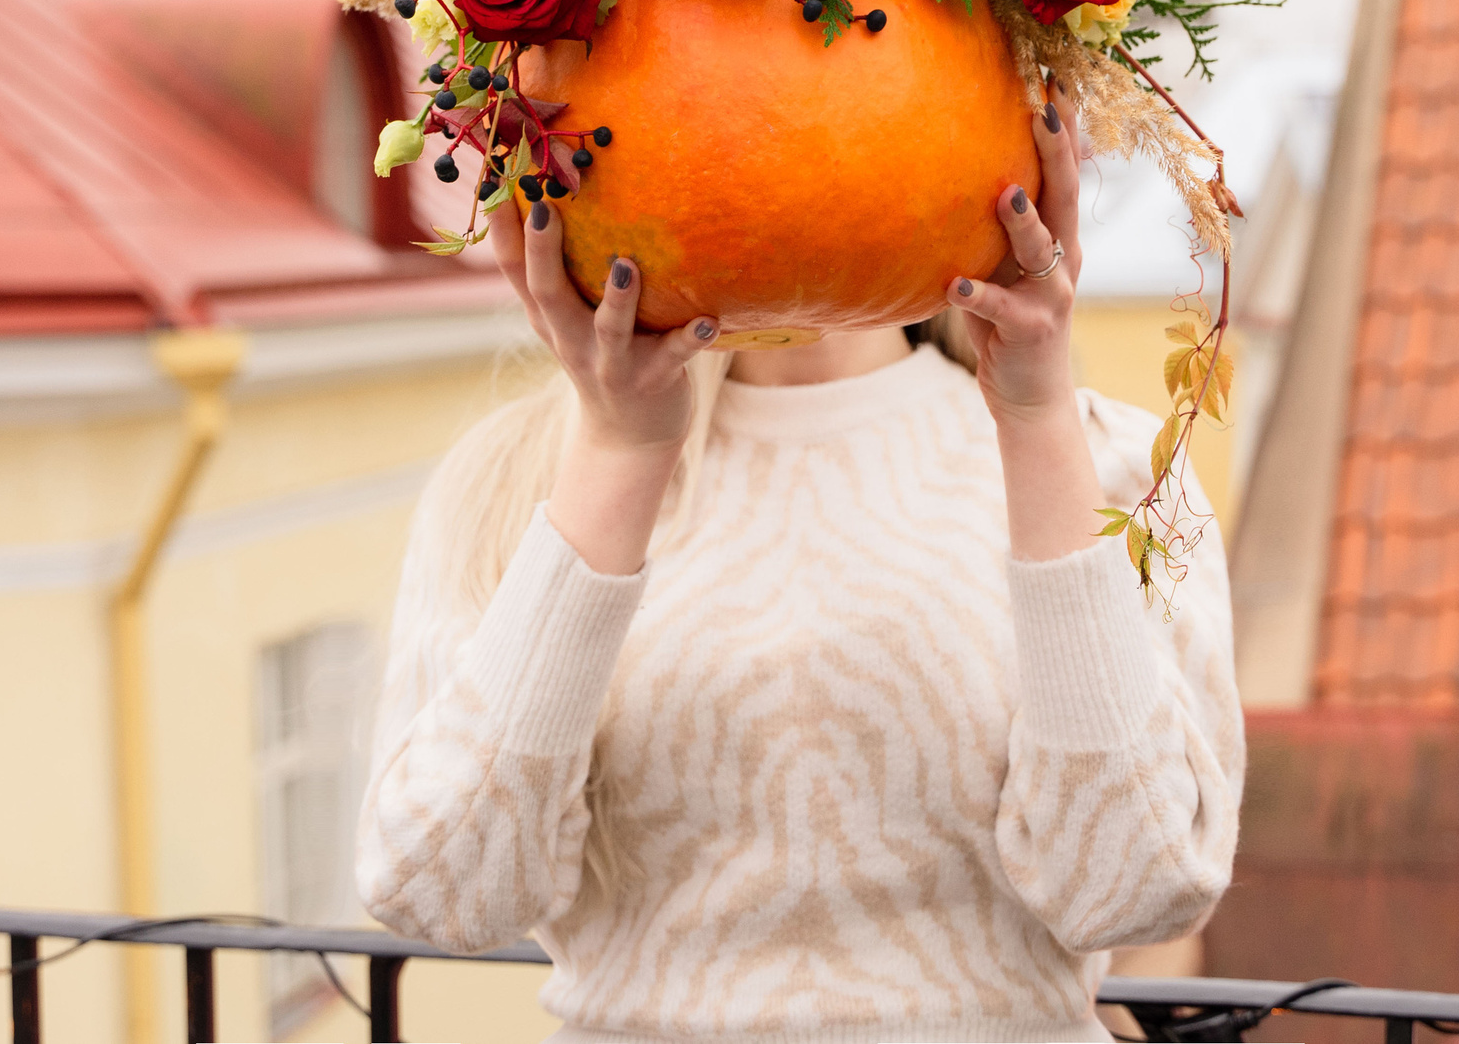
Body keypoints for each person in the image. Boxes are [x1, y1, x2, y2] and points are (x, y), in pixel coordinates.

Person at [356, 89, 1242, 1042]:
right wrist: (618, 455)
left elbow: (1134, 885)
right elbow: (442, 890)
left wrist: (1036, 423)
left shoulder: (1107, 463)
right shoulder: (518, 483)